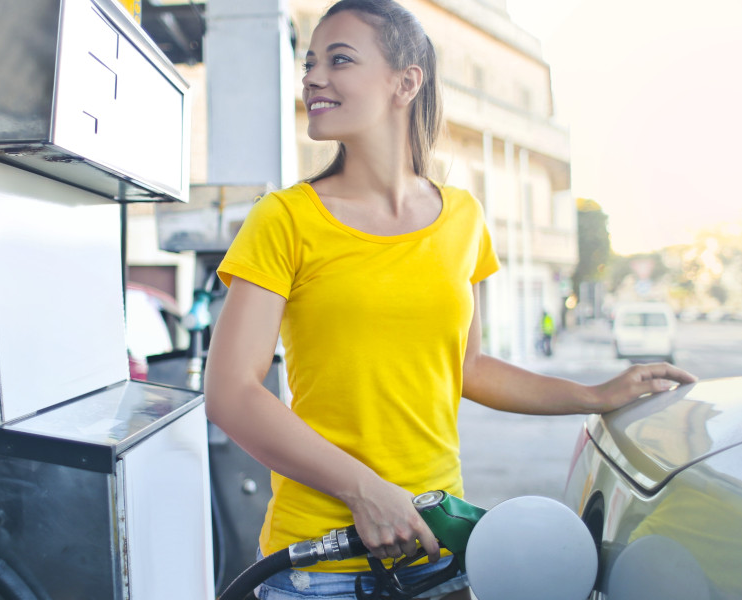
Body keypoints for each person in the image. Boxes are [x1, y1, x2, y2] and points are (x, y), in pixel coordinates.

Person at [203, 1, 698, 598]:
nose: (313, 77)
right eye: (310, 63)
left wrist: (594, 396)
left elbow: (468, 367)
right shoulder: (284, 219)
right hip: (319, 570)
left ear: (405, 82)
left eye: (340, 59)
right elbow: (231, 392)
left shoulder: (463, 218)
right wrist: (365, 490)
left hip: (441, 551)